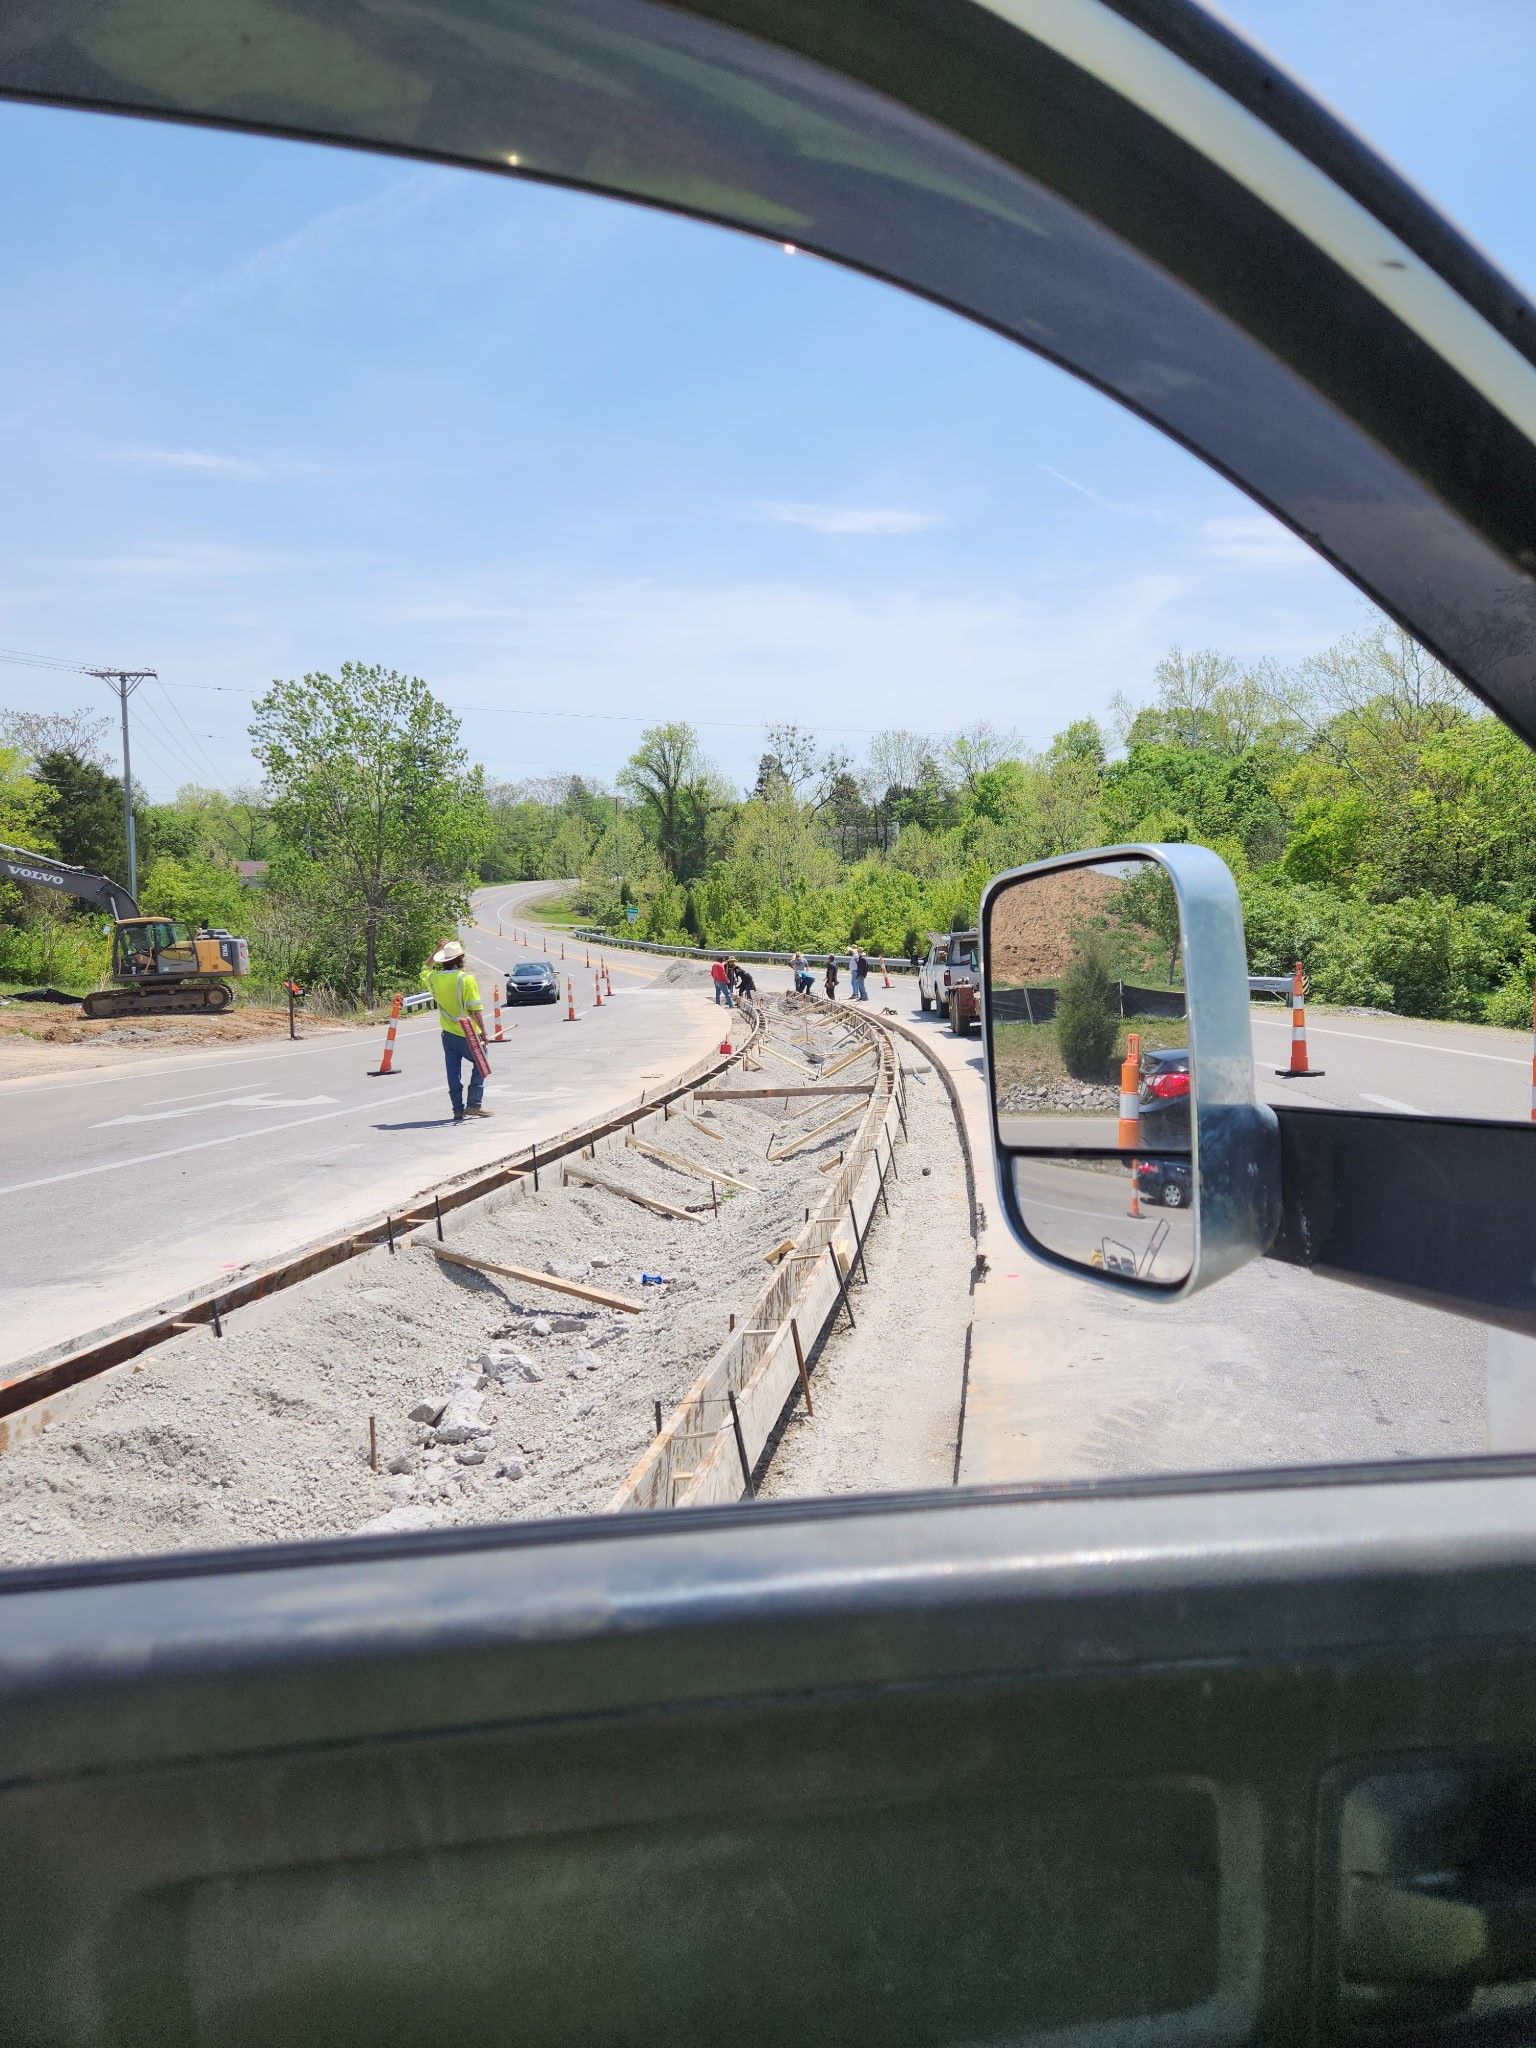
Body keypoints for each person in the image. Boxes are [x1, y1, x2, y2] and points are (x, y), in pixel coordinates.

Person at [421, 939, 492, 1122]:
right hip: (467, 1033)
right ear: (461, 958)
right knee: (481, 1064)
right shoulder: (466, 979)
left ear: (442, 960)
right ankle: (474, 1105)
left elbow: (424, 969)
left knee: (453, 1071)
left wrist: (436, 949)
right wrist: (484, 1033)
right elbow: (475, 1010)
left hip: (447, 1033)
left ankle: (457, 1110)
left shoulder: (435, 978)